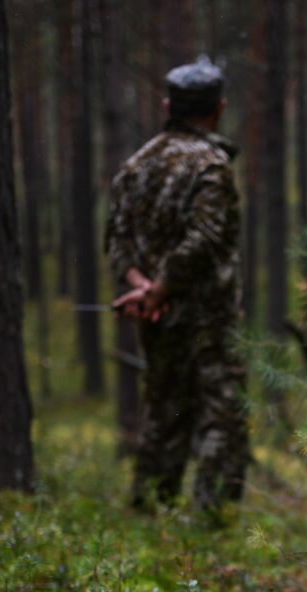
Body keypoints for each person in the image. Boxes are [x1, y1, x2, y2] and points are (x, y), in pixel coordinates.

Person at [105, 56, 250, 517]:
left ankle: (150, 509)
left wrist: (142, 286)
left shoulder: (135, 166)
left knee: (164, 408)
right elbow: (204, 240)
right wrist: (160, 289)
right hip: (207, 318)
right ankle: (212, 519)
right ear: (219, 108)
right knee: (221, 412)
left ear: (169, 105)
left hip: (157, 314)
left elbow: (116, 240)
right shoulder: (212, 167)